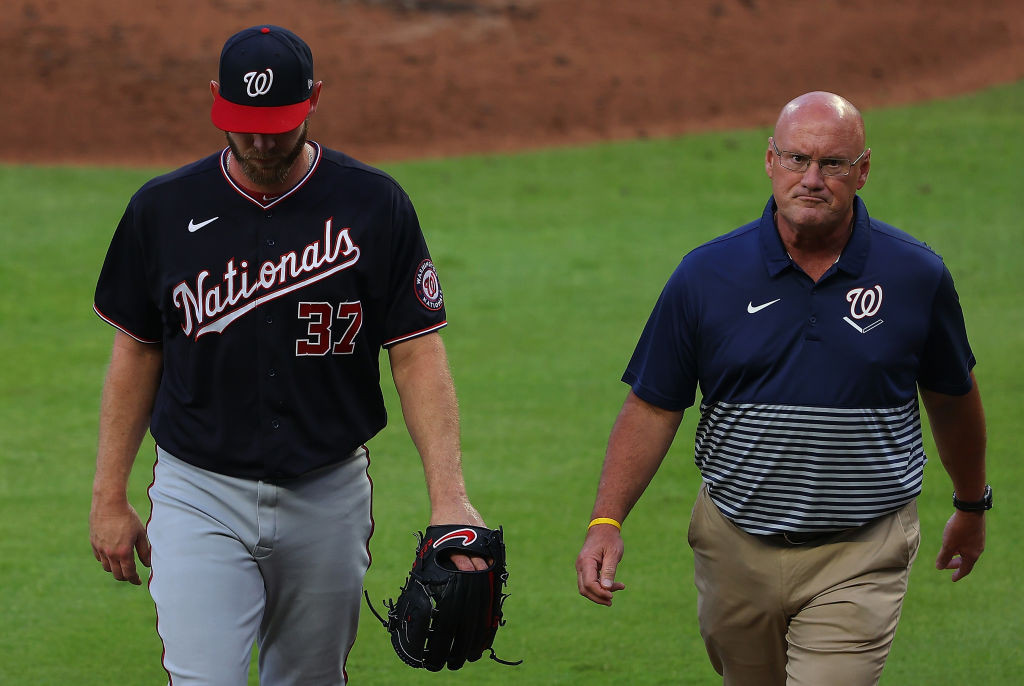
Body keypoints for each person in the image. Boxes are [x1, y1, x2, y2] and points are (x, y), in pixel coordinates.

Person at [89, 25, 489, 685]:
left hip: (327, 492)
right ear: (216, 101)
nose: (260, 141)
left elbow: (416, 352)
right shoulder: (162, 210)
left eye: (277, 124)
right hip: (199, 494)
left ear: (315, 100)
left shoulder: (374, 205)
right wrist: (109, 496)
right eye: (244, 124)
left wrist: (449, 496)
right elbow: (136, 349)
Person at [575, 91, 989, 685]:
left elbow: (952, 399)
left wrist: (972, 505)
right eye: (797, 160)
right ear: (770, 161)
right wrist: (605, 523)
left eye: (832, 165)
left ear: (863, 170)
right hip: (734, 545)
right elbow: (653, 404)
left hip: (862, 550)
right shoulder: (706, 275)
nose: (812, 179)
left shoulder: (915, 275)